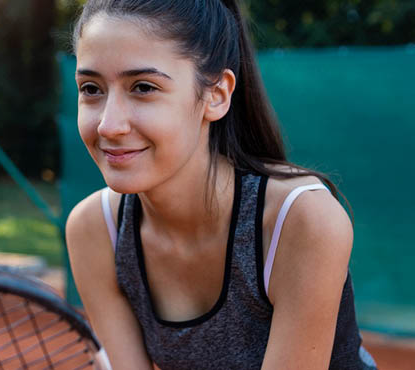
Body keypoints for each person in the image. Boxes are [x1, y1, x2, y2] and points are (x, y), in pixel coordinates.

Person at [65, 1, 378, 369]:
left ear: (216, 94)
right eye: (91, 88)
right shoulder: (94, 230)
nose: (108, 125)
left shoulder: (302, 220)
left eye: (143, 87)